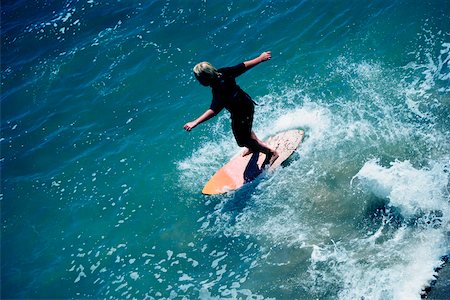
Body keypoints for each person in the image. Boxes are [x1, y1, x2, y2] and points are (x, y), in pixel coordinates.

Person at [183, 51, 279, 166]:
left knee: (242, 140)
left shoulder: (219, 89)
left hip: (242, 110)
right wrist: (259, 58)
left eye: (199, 79)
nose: (199, 82)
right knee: (244, 131)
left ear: (205, 78)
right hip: (244, 105)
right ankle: (253, 147)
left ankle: (271, 153)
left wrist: (195, 122)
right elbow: (242, 67)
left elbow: (213, 110)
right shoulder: (223, 72)